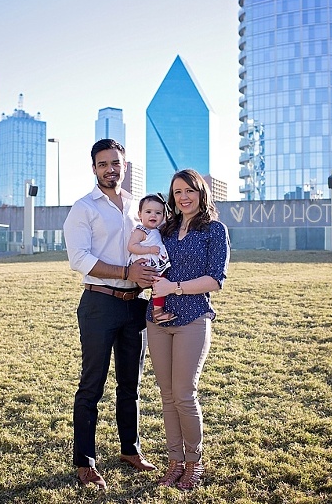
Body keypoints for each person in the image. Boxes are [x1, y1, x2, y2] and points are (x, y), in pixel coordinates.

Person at [62, 139, 159, 490]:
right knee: (92, 386)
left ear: (125, 165)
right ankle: (85, 462)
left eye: (116, 163)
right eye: (103, 164)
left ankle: (130, 449)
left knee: (130, 385)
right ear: (94, 168)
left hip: (136, 305)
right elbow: (80, 259)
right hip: (99, 304)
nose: (110, 169)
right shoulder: (83, 208)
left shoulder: (139, 207)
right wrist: (126, 272)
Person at [146, 168, 230, 490]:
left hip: (192, 318)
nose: (183, 197)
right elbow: (146, 257)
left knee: (183, 395)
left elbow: (215, 280)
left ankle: (193, 462)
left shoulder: (214, 230)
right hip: (157, 321)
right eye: (178, 192)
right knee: (167, 397)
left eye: (189, 191)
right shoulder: (163, 229)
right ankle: (174, 462)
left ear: (201, 193)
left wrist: (175, 288)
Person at [127, 193, 175, 324]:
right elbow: (131, 246)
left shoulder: (158, 230)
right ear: (140, 214)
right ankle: (158, 313)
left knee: (160, 284)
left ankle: (158, 311)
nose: (153, 215)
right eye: (148, 211)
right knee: (159, 284)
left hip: (155, 264)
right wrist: (149, 250)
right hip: (145, 265)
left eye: (158, 213)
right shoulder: (141, 230)